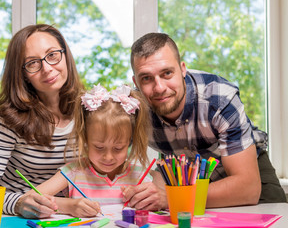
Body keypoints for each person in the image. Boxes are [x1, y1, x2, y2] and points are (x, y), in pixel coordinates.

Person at [122, 32, 286, 210]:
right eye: (146, 78)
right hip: (186, 178)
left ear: (182, 69)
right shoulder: (133, 109)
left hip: (246, 174)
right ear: (135, 82)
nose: (159, 88)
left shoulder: (219, 97)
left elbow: (247, 188)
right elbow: (100, 151)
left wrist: (172, 198)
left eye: (167, 73)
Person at [0, 24, 84, 218]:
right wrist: (19, 203)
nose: (47, 68)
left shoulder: (91, 109)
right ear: (23, 75)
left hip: (76, 220)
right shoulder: (10, 120)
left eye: (52, 55)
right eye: (32, 63)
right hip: (18, 220)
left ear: (65, 56)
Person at [32, 84, 153, 218]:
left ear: (130, 142)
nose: (108, 157)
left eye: (118, 148)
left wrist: (142, 199)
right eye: (99, 147)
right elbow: (30, 198)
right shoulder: (73, 172)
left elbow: (161, 205)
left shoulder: (140, 176)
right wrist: (68, 206)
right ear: (85, 139)